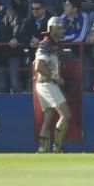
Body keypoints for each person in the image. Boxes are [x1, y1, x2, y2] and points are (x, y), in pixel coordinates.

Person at [35, 16, 71, 153]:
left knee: (49, 118)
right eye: (60, 27)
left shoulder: (55, 45)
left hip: (47, 84)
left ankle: (42, 149)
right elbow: (39, 66)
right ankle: (57, 148)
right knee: (66, 115)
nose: (63, 30)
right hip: (47, 84)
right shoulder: (45, 45)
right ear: (52, 28)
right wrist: (56, 78)